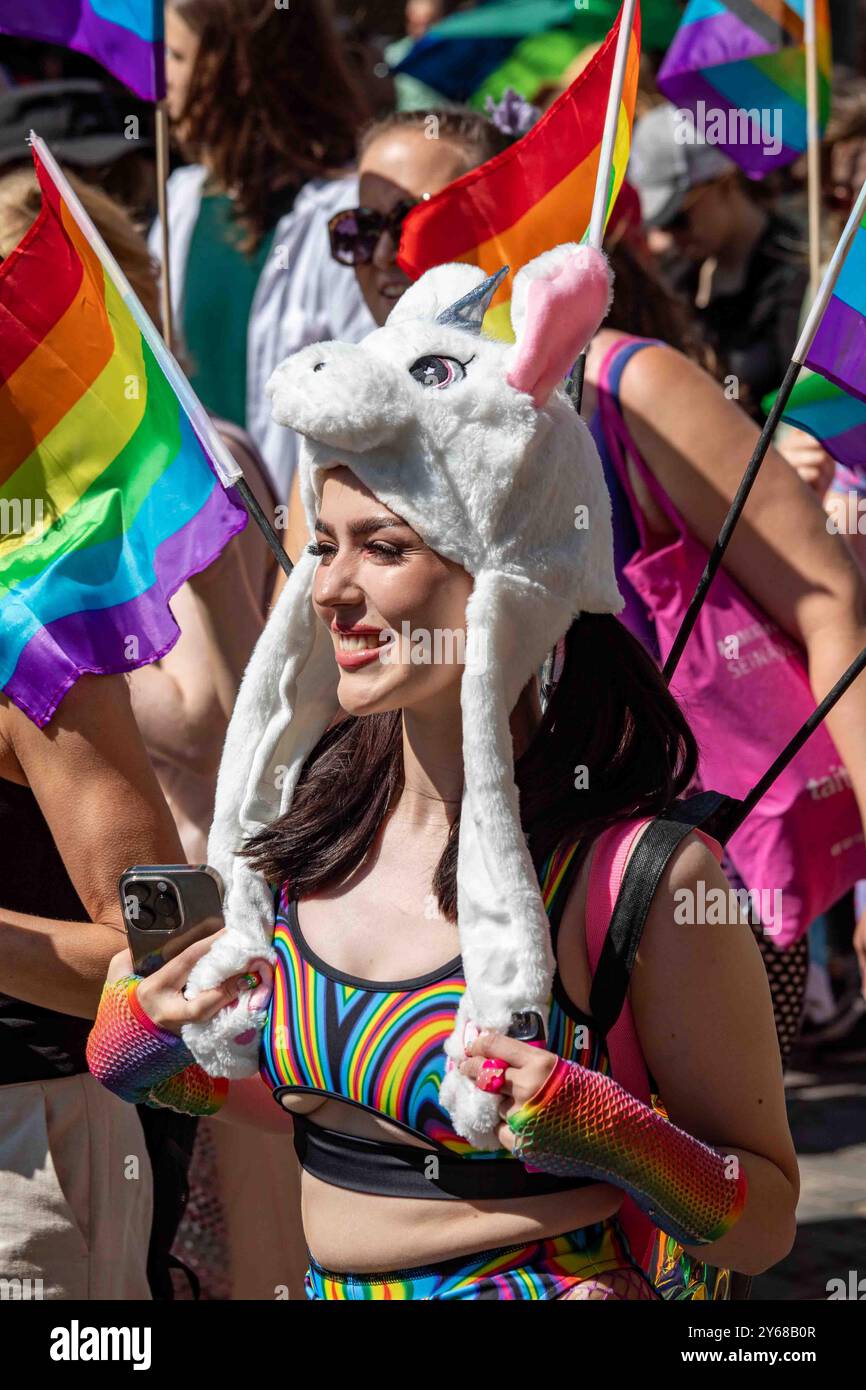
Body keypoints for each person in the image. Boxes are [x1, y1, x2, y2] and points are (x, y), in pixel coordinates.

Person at [88, 240, 798, 1302]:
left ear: (503, 580)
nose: (329, 590)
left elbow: (767, 1223)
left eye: (382, 547)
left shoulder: (644, 878)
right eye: (321, 545)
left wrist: (623, 1141)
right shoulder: (302, 839)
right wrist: (144, 1050)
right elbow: (297, 1097)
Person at [298, 103, 866, 1064]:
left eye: (419, 215)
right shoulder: (349, 428)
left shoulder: (625, 386)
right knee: (505, 1177)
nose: (381, 251)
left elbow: (828, 600)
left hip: (676, 865)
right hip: (459, 877)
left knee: (695, 1183)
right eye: (360, 225)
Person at [152, 0, 377, 504]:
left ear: (241, 71)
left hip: (302, 555)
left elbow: (367, 413)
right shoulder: (182, 201)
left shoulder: (342, 218)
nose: (161, 84)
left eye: (178, 58)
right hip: (203, 555)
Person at [629, 101, 809, 419]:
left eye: (678, 219)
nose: (666, 239)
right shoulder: (676, 277)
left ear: (724, 183)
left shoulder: (798, 267)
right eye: (659, 223)